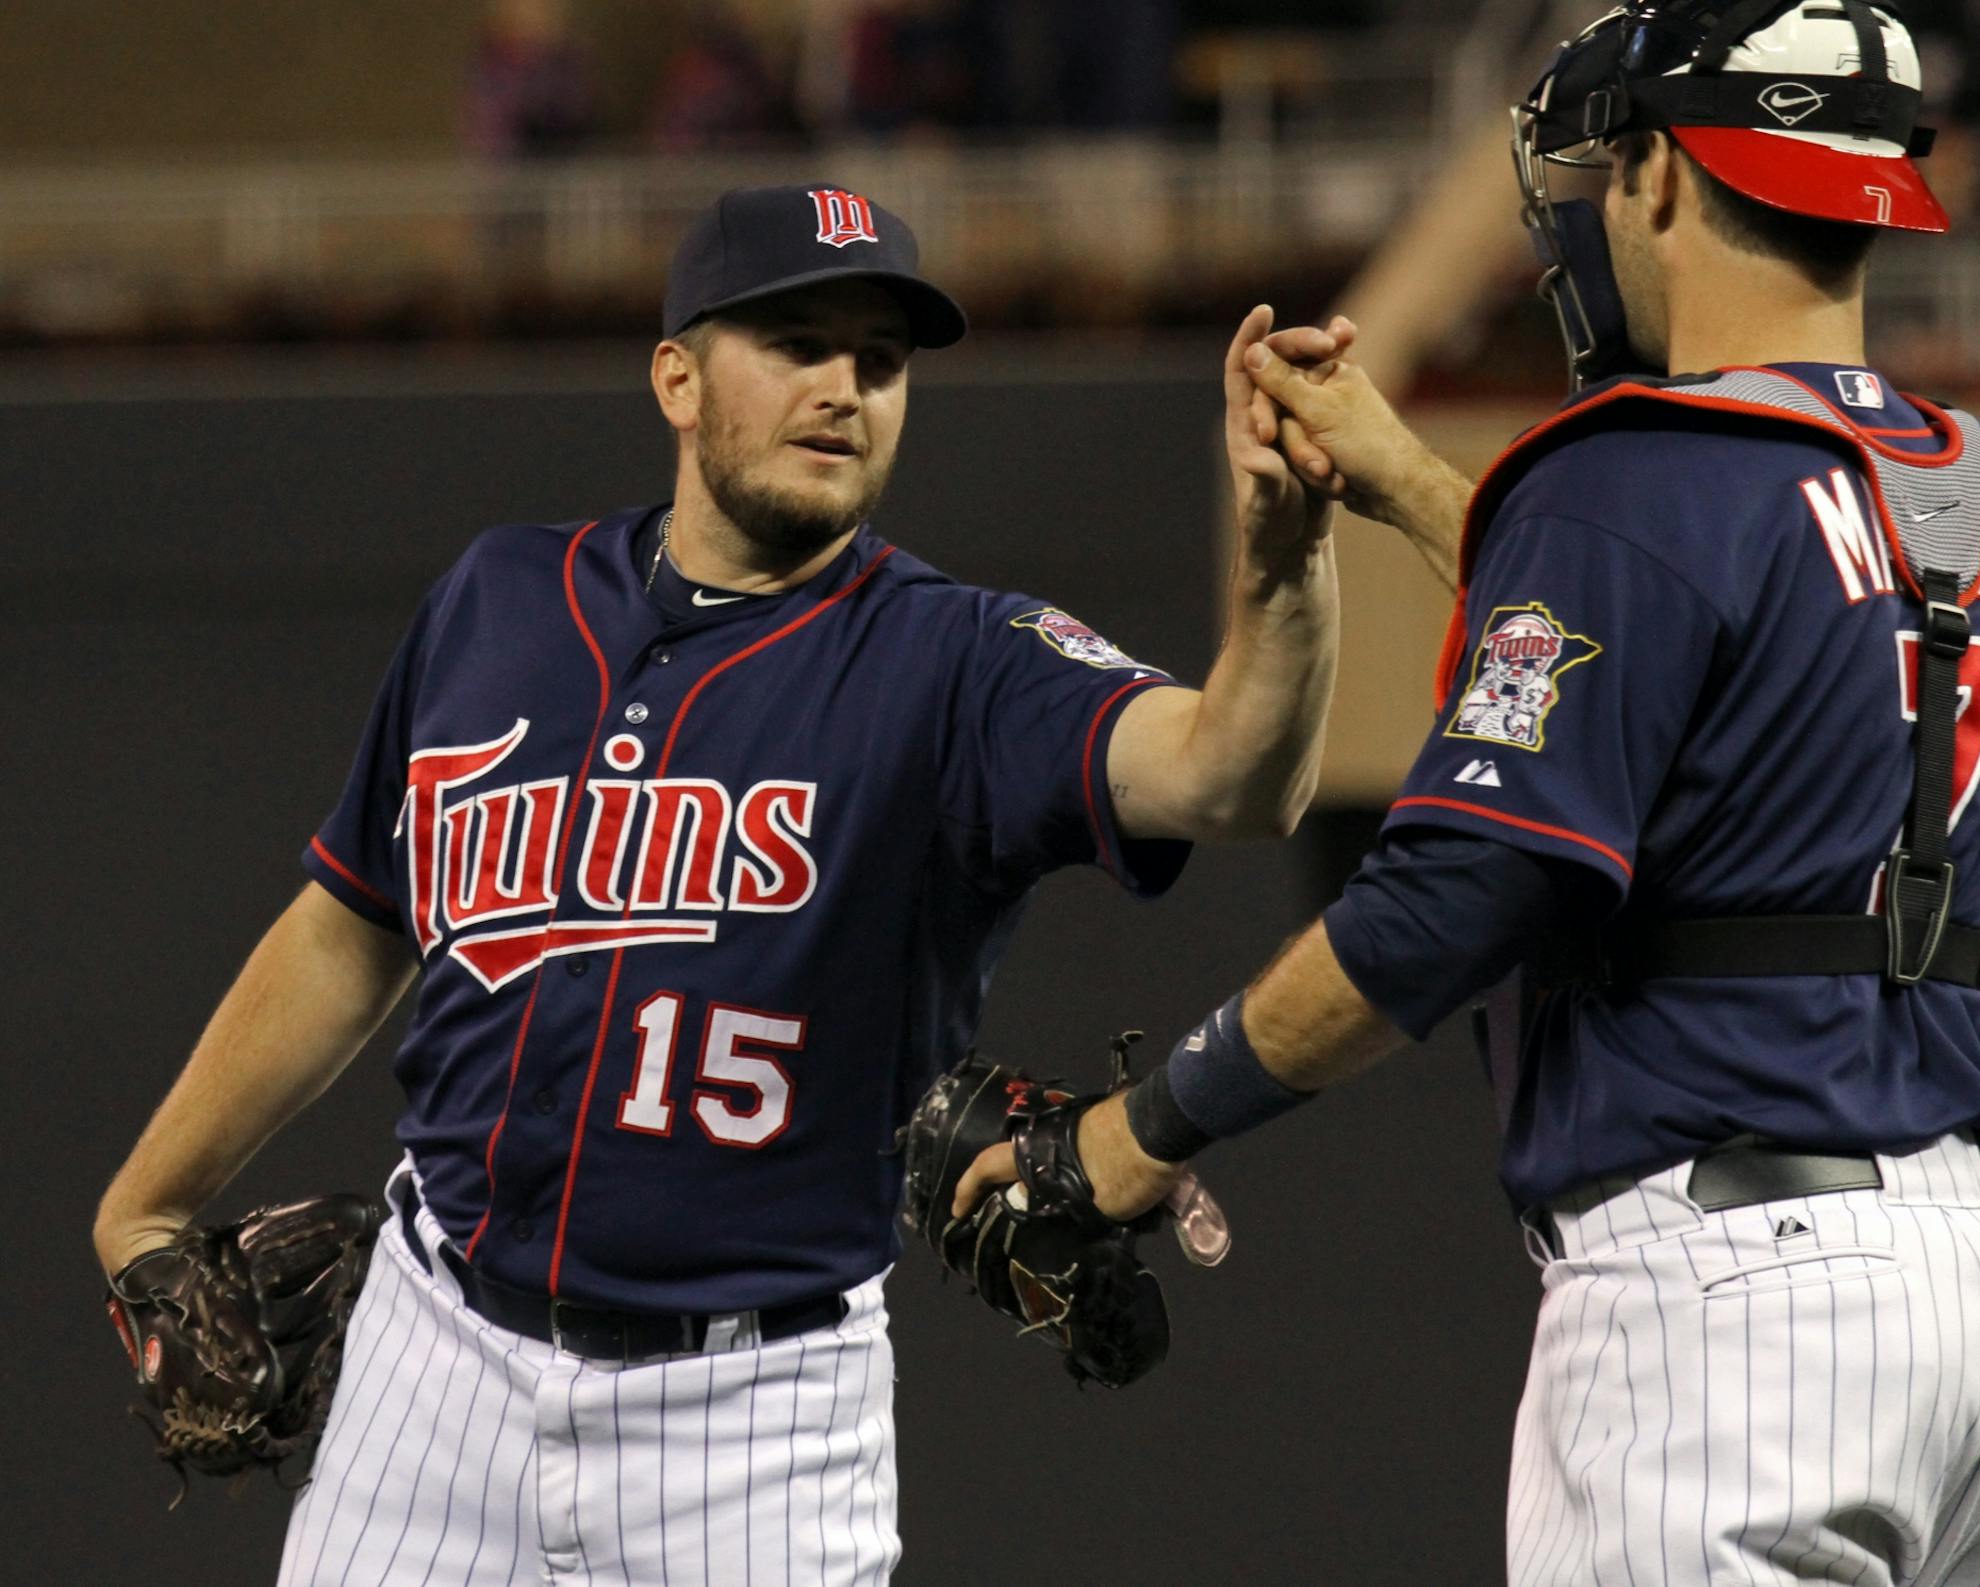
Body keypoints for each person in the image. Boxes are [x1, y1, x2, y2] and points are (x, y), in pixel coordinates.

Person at [92, 183, 1347, 1584]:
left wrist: (1285, 562)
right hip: (429, 1362)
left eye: (879, 360)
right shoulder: (501, 600)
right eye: (797, 343)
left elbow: (1235, 776)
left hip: (753, 1424)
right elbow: (351, 922)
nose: (843, 388)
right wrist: (138, 1207)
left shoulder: (958, 661)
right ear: (677, 377)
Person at [960, 3, 1980, 1581]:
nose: (1603, 203)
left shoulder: (1628, 476)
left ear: (1671, 177)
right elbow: (1685, 617)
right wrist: (1406, 476)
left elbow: (1452, 900)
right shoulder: (1951, 481)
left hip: (1736, 1309)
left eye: (1616, 168)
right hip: (1977, 1297)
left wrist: (1137, 1135)